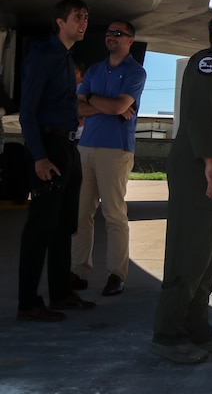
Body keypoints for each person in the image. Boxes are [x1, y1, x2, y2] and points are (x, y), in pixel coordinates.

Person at [150, 4, 212, 364]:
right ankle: (167, 335)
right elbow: (197, 113)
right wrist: (210, 163)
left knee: (211, 255)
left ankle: (196, 328)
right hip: (198, 170)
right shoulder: (207, 61)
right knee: (189, 252)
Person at [16, 0, 96, 322]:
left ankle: (61, 293)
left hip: (67, 146)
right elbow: (27, 112)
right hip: (48, 146)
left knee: (64, 225)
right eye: (78, 17)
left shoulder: (65, 58)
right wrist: (39, 157)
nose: (84, 23)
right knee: (40, 227)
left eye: (86, 17)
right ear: (60, 22)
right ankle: (28, 302)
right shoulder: (43, 55)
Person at [71, 20, 146, 297]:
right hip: (86, 147)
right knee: (80, 214)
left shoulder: (135, 73)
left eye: (118, 34)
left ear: (130, 40)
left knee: (113, 214)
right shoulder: (94, 70)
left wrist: (93, 100)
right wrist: (104, 106)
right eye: (109, 33)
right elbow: (78, 109)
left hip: (115, 149)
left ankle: (116, 274)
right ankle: (79, 272)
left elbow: (118, 106)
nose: (111, 37)